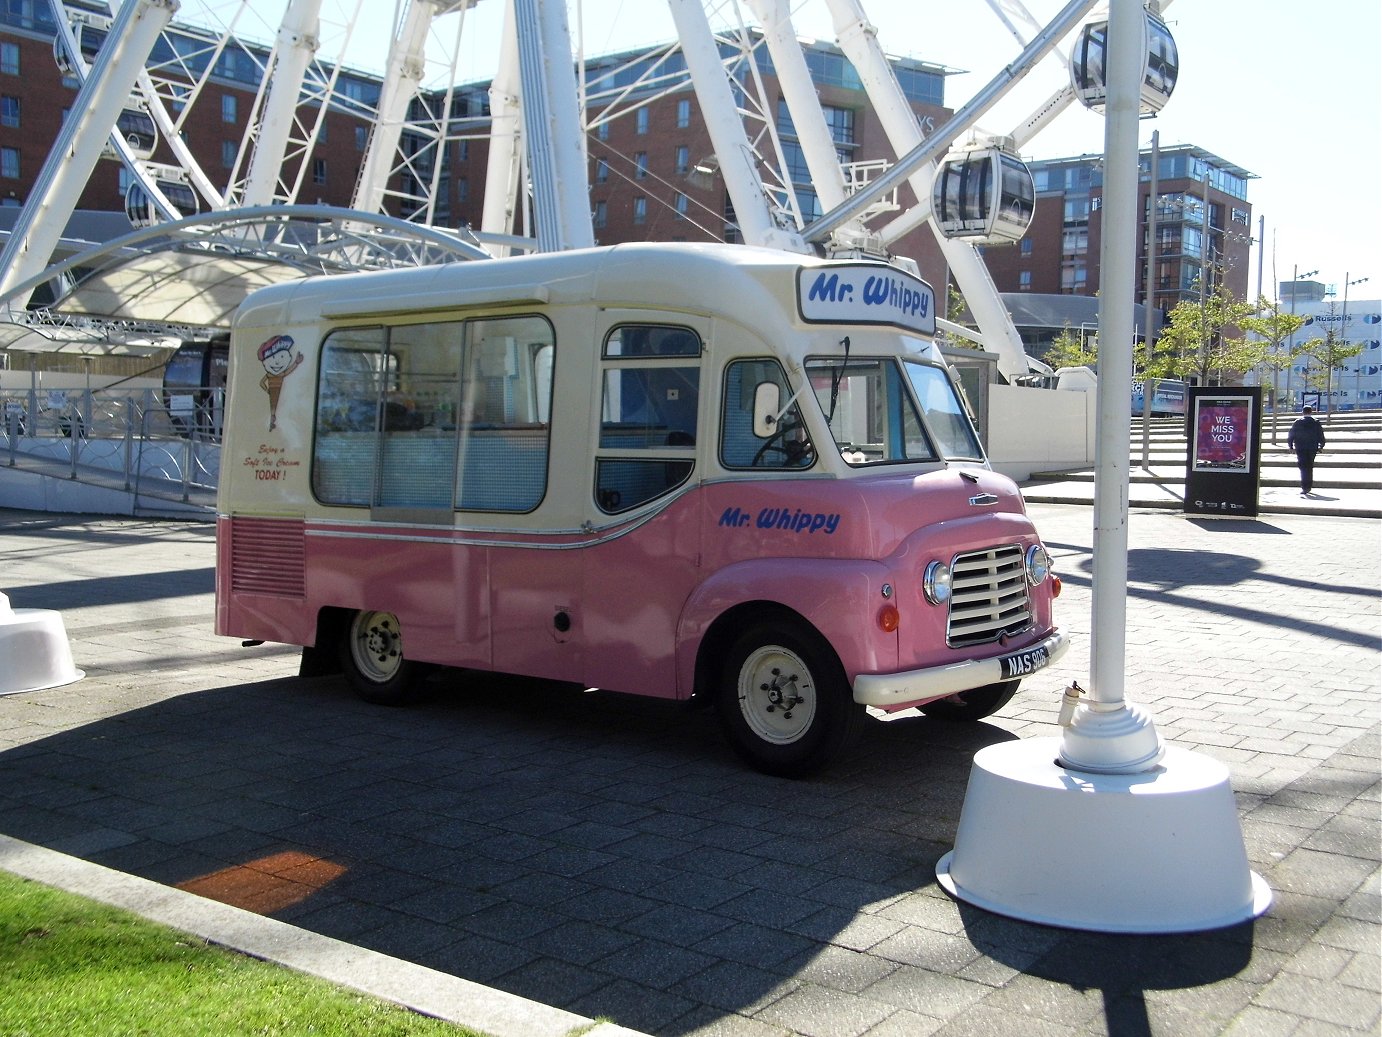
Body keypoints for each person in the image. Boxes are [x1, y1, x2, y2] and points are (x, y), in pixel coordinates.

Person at [1287, 405, 1326, 496]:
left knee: (1303, 467)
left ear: (1303, 412)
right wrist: (1321, 445)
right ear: (1311, 412)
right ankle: (1309, 486)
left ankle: (1304, 487)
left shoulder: (1297, 422)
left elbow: (1291, 434)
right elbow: (1320, 434)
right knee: (1310, 466)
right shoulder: (1316, 422)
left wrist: (1290, 446)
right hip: (1312, 447)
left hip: (1300, 447)